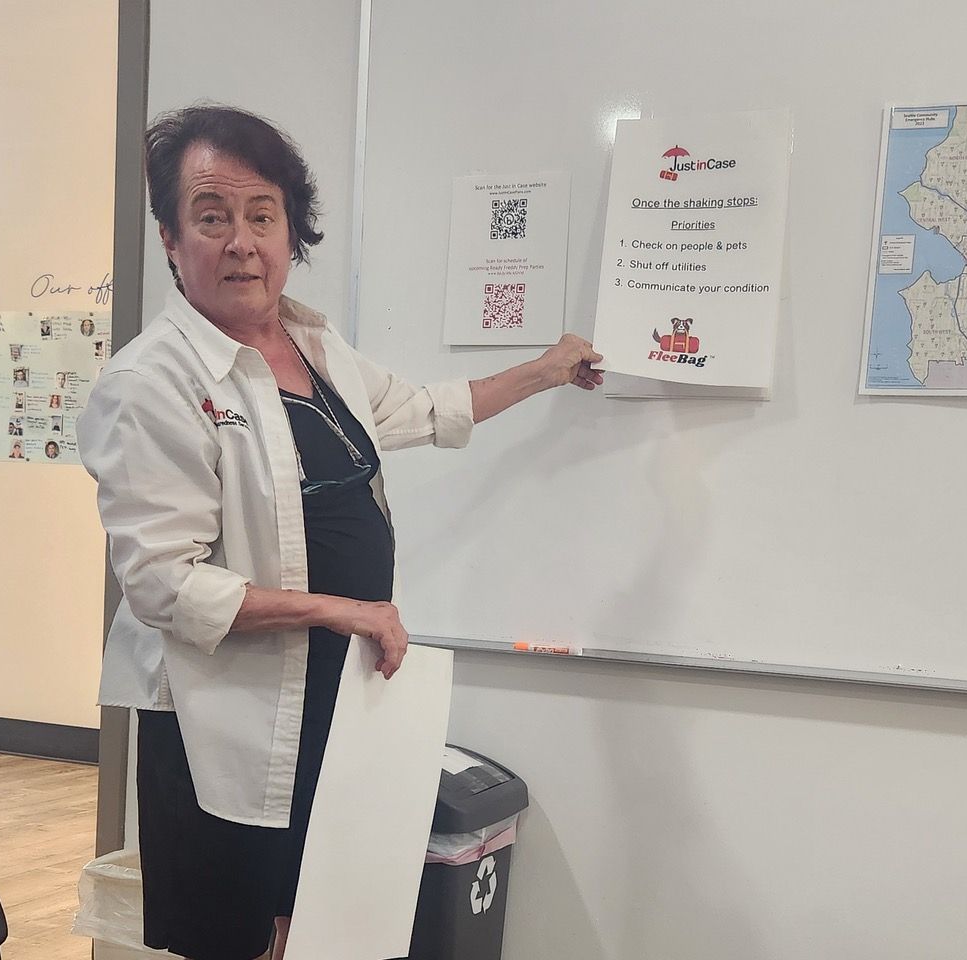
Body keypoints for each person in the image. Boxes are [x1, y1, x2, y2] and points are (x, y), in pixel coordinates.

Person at [77, 103, 602, 960]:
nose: (241, 240)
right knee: (239, 937)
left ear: (291, 231)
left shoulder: (314, 347)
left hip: (332, 695)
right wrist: (338, 609)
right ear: (172, 240)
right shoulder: (151, 383)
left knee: (321, 924)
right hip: (229, 720)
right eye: (211, 217)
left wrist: (546, 370)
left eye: (261, 215)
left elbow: (425, 410)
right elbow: (163, 583)